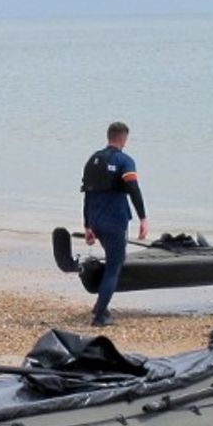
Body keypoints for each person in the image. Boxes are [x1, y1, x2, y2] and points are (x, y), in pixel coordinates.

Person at [80, 121, 148, 328]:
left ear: (109, 136)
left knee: (111, 262)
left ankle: (100, 305)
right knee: (114, 266)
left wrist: (87, 225)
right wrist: (143, 218)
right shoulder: (124, 160)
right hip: (115, 221)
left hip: (95, 219)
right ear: (123, 138)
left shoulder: (93, 159)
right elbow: (133, 189)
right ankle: (100, 316)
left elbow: (87, 193)